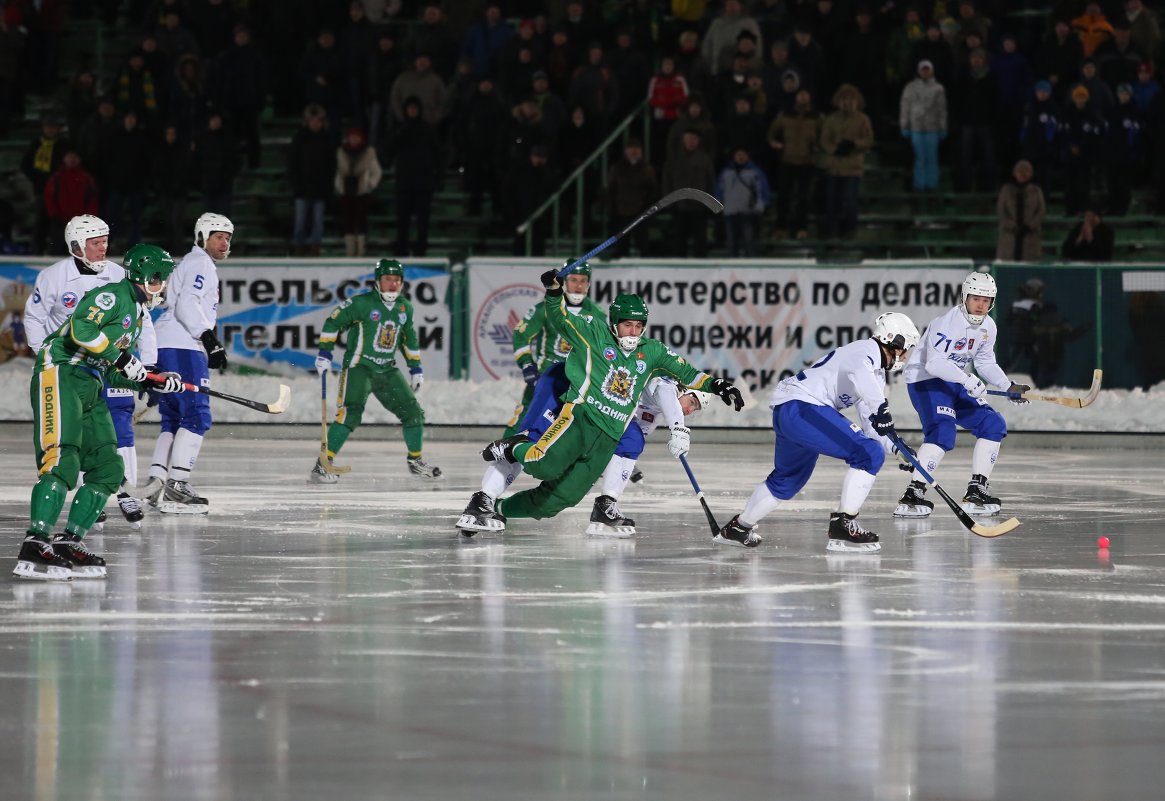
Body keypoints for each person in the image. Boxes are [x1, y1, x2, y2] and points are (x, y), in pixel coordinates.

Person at [462, 276, 745, 533]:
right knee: (542, 464)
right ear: (614, 323)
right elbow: (559, 319)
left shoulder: (652, 351)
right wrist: (553, 293)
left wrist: (718, 385)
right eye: (627, 325)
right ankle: (509, 448)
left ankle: (497, 510)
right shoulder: (594, 332)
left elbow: (688, 374)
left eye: (639, 326)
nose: (633, 332)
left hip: (608, 437)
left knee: (559, 500)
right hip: (578, 413)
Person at [15, 244, 183, 581]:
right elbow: (81, 330)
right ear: (141, 275)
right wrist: (123, 359)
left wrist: (151, 382)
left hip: (91, 382)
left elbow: (111, 368)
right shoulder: (112, 295)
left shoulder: (135, 316)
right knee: (63, 460)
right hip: (60, 373)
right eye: (158, 278)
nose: (162, 285)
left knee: (108, 467)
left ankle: (68, 541)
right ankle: (35, 544)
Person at [716, 313, 921, 552]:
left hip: (792, 411)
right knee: (869, 454)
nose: (906, 356)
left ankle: (739, 527)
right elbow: (866, 383)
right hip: (803, 408)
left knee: (789, 479)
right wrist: (882, 411)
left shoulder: (875, 373)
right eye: (906, 348)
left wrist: (897, 447)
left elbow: (872, 424)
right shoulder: (866, 351)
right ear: (894, 341)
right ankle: (843, 524)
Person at [23, 214, 157, 531]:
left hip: (113, 364)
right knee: (76, 432)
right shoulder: (53, 277)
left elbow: (144, 320)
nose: (103, 249)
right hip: (72, 370)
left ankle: (126, 492)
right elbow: (33, 317)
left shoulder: (119, 275)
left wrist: (148, 366)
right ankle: (87, 500)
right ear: (76, 246)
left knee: (120, 421)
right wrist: (47, 354)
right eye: (95, 244)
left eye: (105, 242)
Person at [894, 272, 1031, 520]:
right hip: (926, 380)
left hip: (954, 379)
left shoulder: (989, 327)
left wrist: (1007, 385)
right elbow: (934, 364)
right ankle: (913, 494)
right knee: (943, 431)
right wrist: (967, 380)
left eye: (986, 300)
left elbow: (986, 362)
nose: (981, 305)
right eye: (976, 298)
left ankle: (976, 490)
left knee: (993, 424)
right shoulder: (946, 323)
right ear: (964, 297)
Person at [310, 258, 441, 482]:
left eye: (397, 280)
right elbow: (333, 323)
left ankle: (416, 461)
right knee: (350, 413)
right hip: (359, 368)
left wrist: (415, 368)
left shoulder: (404, 308)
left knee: (413, 413)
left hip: (387, 370)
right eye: (388, 279)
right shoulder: (362, 303)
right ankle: (323, 464)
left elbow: (409, 340)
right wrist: (324, 353)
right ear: (378, 281)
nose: (393, 284)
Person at [145, 213, 233, 513]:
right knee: (196, 416)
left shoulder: (191, 262)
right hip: (183, 346)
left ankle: (157, 482)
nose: (224, 242)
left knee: (173, 418)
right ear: (202, 237)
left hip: (166, 343)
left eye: (228, 237)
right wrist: (208, 338)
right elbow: (186, 304)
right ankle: (177, 487)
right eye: (218, 236)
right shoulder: (200, 264)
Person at [899, 59, 948, 192]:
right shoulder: (911, 87)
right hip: (916, 127)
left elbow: (941, 109)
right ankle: (919, 184)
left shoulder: (938, 88)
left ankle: (932, 184)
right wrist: (904, 124)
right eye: (923, 69)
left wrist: (943, 127)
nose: (925, 72)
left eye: (928, 69)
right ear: (919, 71)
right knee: (920, 157)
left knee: (932, 157)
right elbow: (905, 106)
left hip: (933, 128)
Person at [334, 126, 382, 258]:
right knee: (348, 222)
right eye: (352, 137)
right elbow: (337, 172)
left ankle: (361, 251)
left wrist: (370, 184)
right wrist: (339, 187)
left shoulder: (369, 153)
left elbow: (377, 172)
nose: (354, 140)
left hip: (362, 192)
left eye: (357, 137)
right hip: (346, 192)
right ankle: (350, 251)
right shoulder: (341, 153)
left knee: (361, 222)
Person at [996, 160, 1047, 261]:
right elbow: (1001, 211)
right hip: (1009, 237)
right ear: (1014, 173)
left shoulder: (1036, 190)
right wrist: (1012, 226)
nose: (1023, 173)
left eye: (1026, 171)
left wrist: (1029, 226)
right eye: (1020, 170)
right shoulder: (1006, 190)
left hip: (1030, 237)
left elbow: (1041, 211)